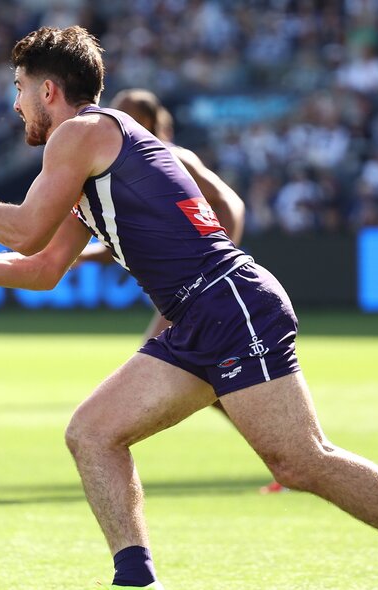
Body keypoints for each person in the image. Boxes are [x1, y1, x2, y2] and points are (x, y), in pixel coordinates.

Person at [0, 26, 378, 590]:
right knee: (93, 434)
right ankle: (136, 581)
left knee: (301, 460)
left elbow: (27, 231)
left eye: (19, 88)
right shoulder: (86, 153)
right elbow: (42, 268)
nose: (15, 104)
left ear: (51, 90)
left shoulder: (82, 133)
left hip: (227, 304)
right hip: (196, 315)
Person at [76, 88, 287, 494]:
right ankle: (281, 454)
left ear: (152, 123)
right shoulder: (126, 163)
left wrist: (213, 257)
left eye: (129, 113)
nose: (117, 119)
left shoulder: (167, 156)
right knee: (205, 377)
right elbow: (123, 239)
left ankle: (283, 454)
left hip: (201, 290)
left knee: (166, 368)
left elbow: (231, 203)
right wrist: (83, 257)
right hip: (188, 291)